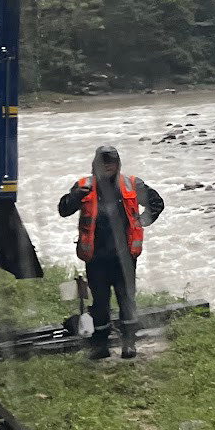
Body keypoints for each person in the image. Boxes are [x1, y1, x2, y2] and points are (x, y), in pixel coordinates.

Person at [56, 144, 165, 359]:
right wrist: (75, 197)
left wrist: (142, 221)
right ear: (95, 164)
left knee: (127, 300)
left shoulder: (132, 184)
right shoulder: (84, 186)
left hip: (124, 257)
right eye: (103, 161)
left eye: (111, 161)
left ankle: (129, 344)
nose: (107, 166)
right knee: (100, 303)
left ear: (118, 163)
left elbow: (157, 203)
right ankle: (100, 346)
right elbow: (63, 210)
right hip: (96, 258)